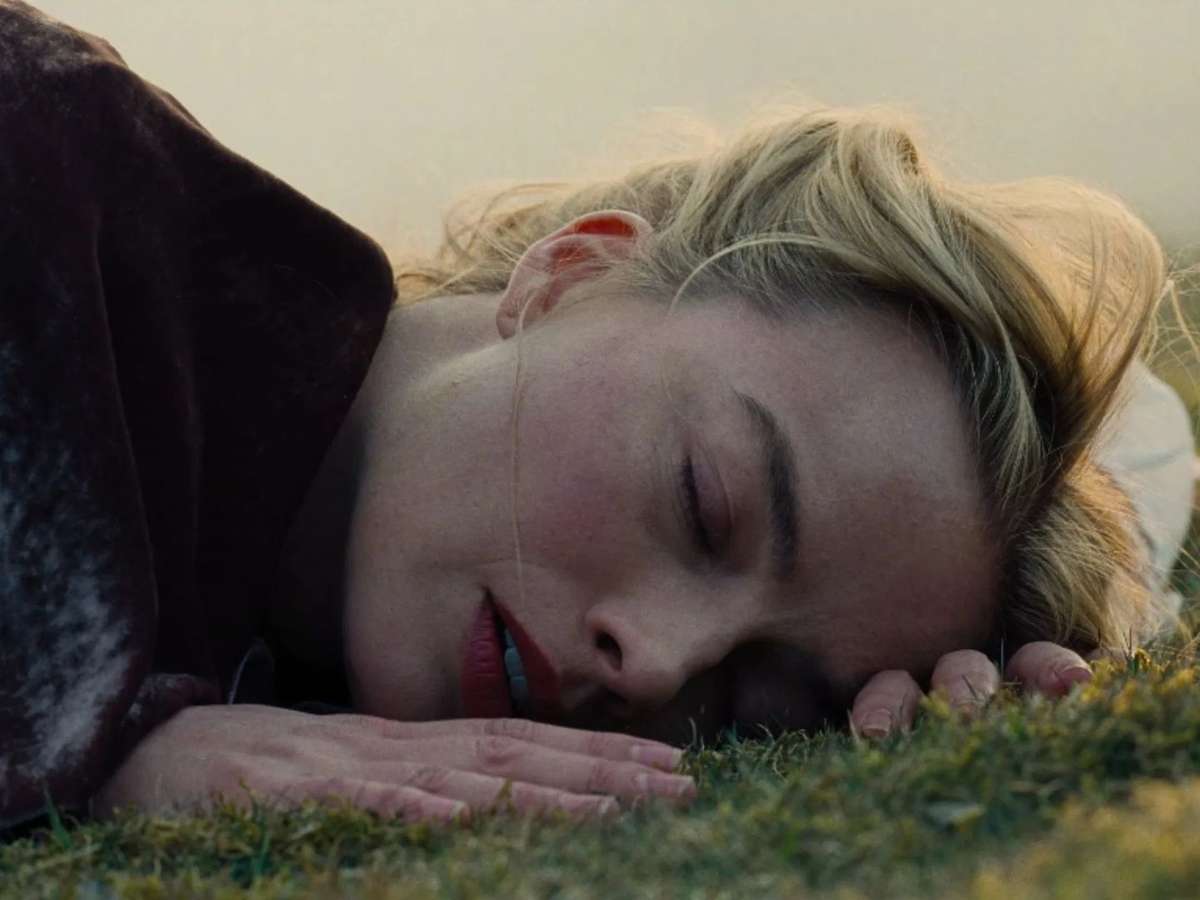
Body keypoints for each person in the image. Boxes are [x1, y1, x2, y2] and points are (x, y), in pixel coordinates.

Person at [0, 1, 1193, 831]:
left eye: (753, 701)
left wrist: (962, 709)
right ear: (570, 272)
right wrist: (89, 745)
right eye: (704, 503)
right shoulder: (43, 159)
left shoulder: (288, 632)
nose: (659, 663)